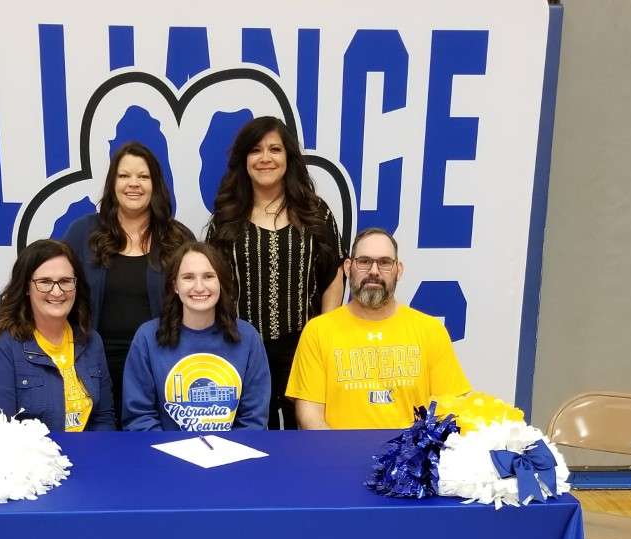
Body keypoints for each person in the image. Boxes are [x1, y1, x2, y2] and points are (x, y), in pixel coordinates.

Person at [206, 117, 344, 430]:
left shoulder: (315, 213)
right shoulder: (226, 219)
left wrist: (322, 336)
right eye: (255, 150)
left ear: (288, 158)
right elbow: (214, 284)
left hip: (303, 348)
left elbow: (333, 274)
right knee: (252, 434)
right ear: (244, 160)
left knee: (306, 436)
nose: (265, 158)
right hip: (242, 347)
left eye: (274, 149)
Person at [62, 142, 194, 425]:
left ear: (155, 184)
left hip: (161, 362)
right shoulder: (83, 233)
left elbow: (197, 301)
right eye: (124, 176)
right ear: (112, 183)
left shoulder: (178, 238)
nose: (133, 184)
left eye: (143, 177)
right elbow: (58, 288)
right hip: (94, 362)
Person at [286, 228, 471, 430]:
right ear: (348, 268)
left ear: (398, 270)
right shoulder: (318, 331)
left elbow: (451, 411)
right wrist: (339, 457)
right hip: (338, 457)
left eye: (384, 262)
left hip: (411, 459)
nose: (374, 271)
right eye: (364, 261)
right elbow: (309, 416)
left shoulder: (430, 330)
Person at [122, 242, 269, 432]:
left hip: (232, 454)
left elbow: (254, 419)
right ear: (175, 285)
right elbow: (139, 418)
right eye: (188, 277)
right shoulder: (147, 337)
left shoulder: (248, 338)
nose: (199, 287)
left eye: (208, 276)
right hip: (167, 455)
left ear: (221, 282)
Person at [0, 238, 115, 433]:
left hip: (91, 458)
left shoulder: (91, 340)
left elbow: (104, 418)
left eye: (65, 281)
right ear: (26, 287)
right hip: (32, 462)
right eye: (45, 282)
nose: (57, 291)